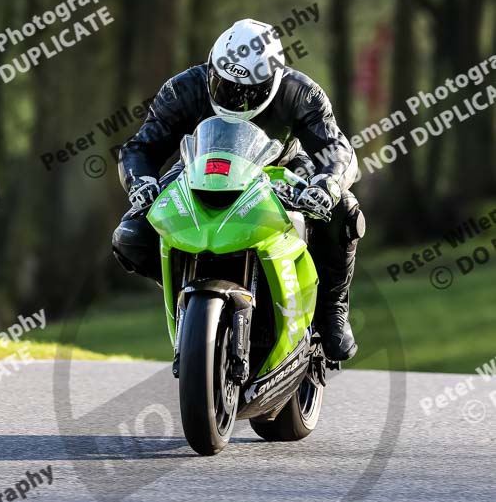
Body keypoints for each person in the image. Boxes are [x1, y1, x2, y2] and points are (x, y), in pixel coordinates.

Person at [112, 19, 365, 361]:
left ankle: (332, 308)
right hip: (200, 167)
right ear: (212, 67)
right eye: (226, 85)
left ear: (273, 82)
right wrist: (139, 182)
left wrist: (327, 184)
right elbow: (140, 147)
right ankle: (186, 282)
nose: (235, 96)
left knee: (344, 210)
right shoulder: (183, 88)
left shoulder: (301, 92)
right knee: (132, 233)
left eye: (247, 90)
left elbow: (338, 149)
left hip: (281, 168)